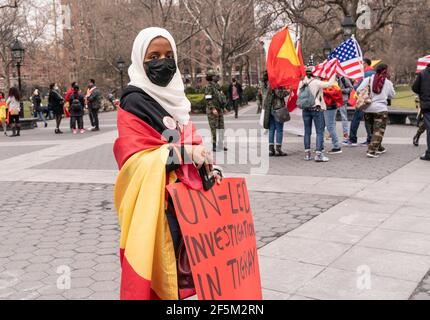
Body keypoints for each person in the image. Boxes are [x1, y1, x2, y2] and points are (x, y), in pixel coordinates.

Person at [114, 27, 219, 300]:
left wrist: (207, 166)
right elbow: (136, 159)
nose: (163, 61)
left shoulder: (177, 98)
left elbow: (190, 141)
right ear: (140, 60)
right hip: (158, 208)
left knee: (185, 271)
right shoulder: (133, 100)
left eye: (169, 54)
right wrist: (185, 154)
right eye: (154, 56)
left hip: (186, 202)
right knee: (162, 274)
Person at [357, 63, 395, 158]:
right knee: (378, 131)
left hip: (368, 108)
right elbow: (392, 95)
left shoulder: (368, 79)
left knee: (373, 130)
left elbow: (358, 90)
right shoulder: (387, 82)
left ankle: (379, 147)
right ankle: (372, 151)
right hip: (381, 109)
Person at [298, 67, 336, 162]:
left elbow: (298, 94)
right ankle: (319, 155)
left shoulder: (301, 82)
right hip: (316, 109)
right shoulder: (316, 82)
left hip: (305, 109)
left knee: (307, 131)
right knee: (319, 132)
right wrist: (334, 73)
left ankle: (307, 154)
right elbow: (329, 84)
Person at [345, 58, 374, 147]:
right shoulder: (374, 73)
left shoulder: (364, 74)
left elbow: (358, 87)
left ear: (365, 64)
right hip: (372, 100)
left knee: (356, 119)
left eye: (362, 63)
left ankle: (352, 139)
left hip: (362, 100)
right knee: (368, 120)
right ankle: (370, 139)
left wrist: (355, 83)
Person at [205, 70, 227, 152]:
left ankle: (220, 144)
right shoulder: (209, 87)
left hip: (219, 109)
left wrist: (223, 107)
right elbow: (208, 99)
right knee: (214, 128)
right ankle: (214, 145)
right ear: (211, 77)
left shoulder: (217, 86)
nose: (217, 77)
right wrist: (213, 109)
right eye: (215, 76)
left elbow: (220, 97)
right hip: (212, 111)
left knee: (221, 127)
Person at [263, 87, 289, 156]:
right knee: (279, 130)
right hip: (277, 110)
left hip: (270, 110)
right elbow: (280, 94)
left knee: (271, 129)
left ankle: (271, 150)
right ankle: (278, 149)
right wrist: (288, 91)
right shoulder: (276, 85)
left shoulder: (270, 84)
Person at [412, 63, 430, 161]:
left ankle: (429, 153)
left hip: (427, 106)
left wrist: (422, 92)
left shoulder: (423, 73)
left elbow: (414, 88)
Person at [323, 84, 344, 154]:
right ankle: (321, 146)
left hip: (329, 106)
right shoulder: (333, 83)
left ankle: (336, 146)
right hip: (330, 106)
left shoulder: (329, 83)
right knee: (330, 125)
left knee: (330, 126)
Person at [338, 76, 353, 143]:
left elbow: (350, 88)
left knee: (343, 116)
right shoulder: (332, 77)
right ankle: (331, 133)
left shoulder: (344, 78)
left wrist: (341, 90)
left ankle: (345, 134)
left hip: (342, 100)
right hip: (333, 100)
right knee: (331, 118)